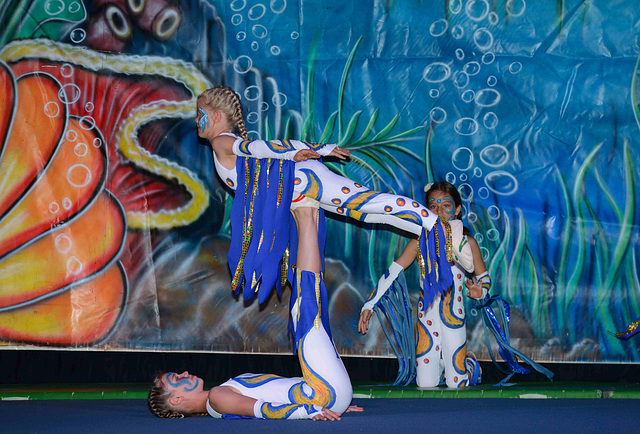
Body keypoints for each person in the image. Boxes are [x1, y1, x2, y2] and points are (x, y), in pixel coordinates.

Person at [196, 86, 451, 303]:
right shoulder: (223, 143)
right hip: (297, 190)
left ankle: (431, 222)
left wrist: (315, 149)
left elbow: (259, 148)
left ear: (217, 115)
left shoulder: (222, 142)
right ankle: (425, 229)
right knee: (366, 214)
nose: (197, 121)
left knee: (365, 203)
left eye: (201, 114)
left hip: (305, 181)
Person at [148, 205, 364, 420]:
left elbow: (272, 400)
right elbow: (263, 409)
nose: (184, 373)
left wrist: (336, 405)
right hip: (322, 395)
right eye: (177, 378)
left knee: (308, 303)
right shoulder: (216, 397)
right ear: (176, 400)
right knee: (306, 302)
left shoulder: (220, 398)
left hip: (326, 395)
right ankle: (305, 210)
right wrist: (311, 411)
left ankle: (307, 213)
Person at [358, 181, 490, 388]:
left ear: (457, 209)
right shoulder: (418, 242)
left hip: (453, 320)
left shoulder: (468, 243)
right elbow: (392, 272)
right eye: (433, 206)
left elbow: (485, 279)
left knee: (457, 385)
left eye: (446, 206)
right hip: (426, 319)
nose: (439, 211)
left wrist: (480, 292)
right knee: (426, 384)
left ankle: (471, 366)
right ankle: (441, 364)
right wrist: (369, 305)